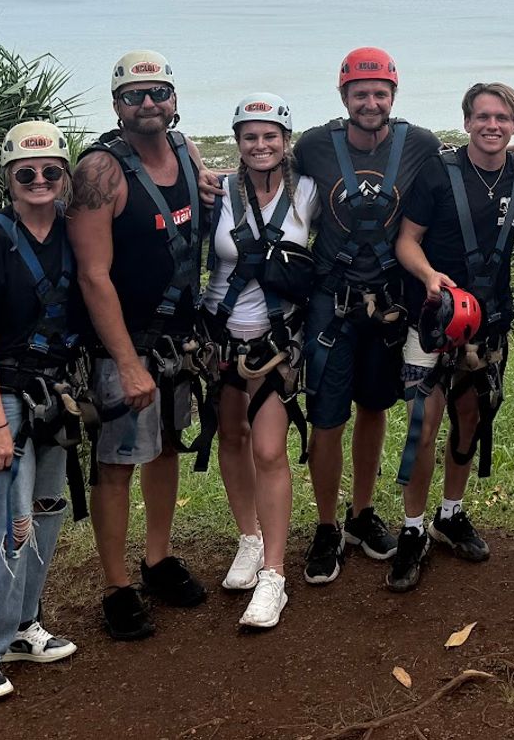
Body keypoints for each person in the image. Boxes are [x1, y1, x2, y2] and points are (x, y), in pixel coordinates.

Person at [70, 50, 220, 642]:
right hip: (122, 347)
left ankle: (156, 560)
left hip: (177, 341)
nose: (148, 103)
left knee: (163, 450)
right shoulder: (101, 173)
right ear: (116, 105)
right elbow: (92, 275)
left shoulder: (186, 152)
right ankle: (115, 586)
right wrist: (127, 364)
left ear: (174, 99)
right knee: (114, 463)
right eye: (135, 96)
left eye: (157, 92)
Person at [390, 82, 514, 590]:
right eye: (483, 117)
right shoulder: (438, 174)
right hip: (435, 318)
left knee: (471, 418)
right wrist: (429, 278)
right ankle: (413, 528)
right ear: (467, 122)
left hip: (490, 325)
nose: (492, 125)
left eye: (503, 118)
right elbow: (407, 240)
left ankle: (451, 513)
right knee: (423, 426)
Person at [292, 48, 442, 585]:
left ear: (393, 97)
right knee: (326, 419)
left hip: (387, 306)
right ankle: (327, 525)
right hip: (330, 304)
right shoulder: (313, 146)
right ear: (343, 97)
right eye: (361, 94)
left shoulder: (419, 144)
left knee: (374, 409)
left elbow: (460, 167)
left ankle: (360, 514)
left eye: (380, 93)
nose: (371, 103)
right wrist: (195, 161)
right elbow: (260, 172)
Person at [0, 120, 84, 701]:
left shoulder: (71, 234)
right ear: (8, 178)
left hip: (52, 392)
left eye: (51, 172)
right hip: (2, 396)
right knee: (8, 526)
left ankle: (22, 625)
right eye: (26, 173)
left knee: (46, 515)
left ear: (64, 177)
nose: (39, 181)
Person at [199, 93, 319, 630]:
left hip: (276, 339)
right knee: (232, 438)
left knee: (270, 449)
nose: (261, 144)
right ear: (239, 142)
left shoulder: (309, 193)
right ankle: (248, 537)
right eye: (250, 136)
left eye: (271, 135)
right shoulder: (217, 193)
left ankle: (274, 573)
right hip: (223, 335)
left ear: (287, 142)